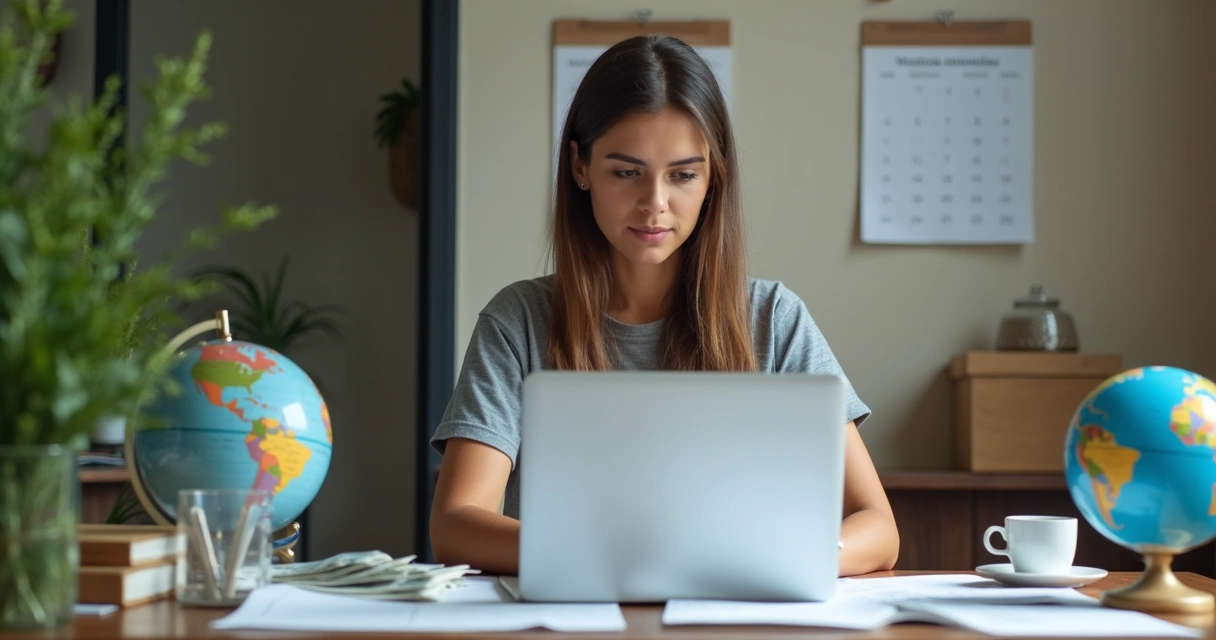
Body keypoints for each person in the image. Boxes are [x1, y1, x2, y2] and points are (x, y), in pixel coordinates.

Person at [429, 34, 898, 577]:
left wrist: (786, 558)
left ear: (712, 176)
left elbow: (878, 527)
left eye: (682, 175)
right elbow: (458, 524)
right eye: (626, 172)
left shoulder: (775, 319)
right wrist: (630, 560)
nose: (655, 202)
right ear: (580, 166)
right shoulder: (518, 322)